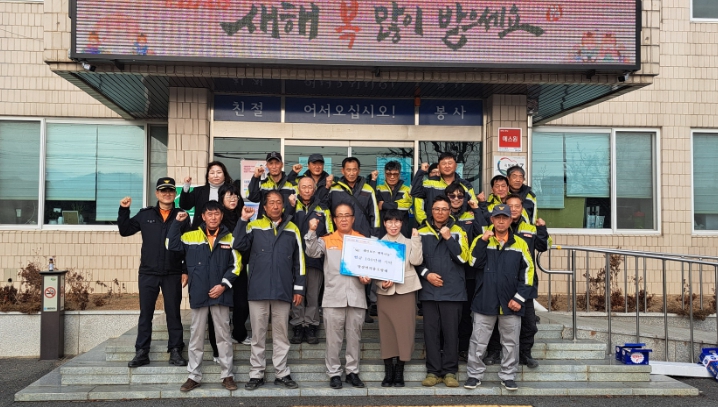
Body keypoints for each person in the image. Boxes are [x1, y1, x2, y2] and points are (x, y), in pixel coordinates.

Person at [232, 190, 306, 390]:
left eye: (278, 202)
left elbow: (299, 261)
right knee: (258, 335)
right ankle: (256, 374)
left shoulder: (292, 228)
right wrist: (243, 220)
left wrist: (299, 288)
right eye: (271, 202)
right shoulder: (254, 226)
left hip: (283, 290)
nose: (275, 206)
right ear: (264, 207)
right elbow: (237, 244)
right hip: (258, 289)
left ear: (283, 205)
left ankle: (282, 373)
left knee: (282, 335)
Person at [166, 201, 242, 392]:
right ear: (203, 217)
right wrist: (176, 223)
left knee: (223, 336)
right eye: (209, 214)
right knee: (196, 336)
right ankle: (194, 376)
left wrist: (223, 285)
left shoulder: (230, 238)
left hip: (221, 293)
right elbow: (170, 244)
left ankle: (227, 375)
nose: (213, 218)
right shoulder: (190, 236)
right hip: (199, 292)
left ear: (221, 216)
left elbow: (237, 266)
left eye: (216, 214)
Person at [117, 177, 187, 368]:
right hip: (148, 272)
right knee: (145, 313)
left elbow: (188, 245)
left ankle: (175, 350)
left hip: (172, 272)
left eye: (170, 190)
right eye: (163, 191)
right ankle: (142, 351)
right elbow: (125, 230)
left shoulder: (182, 215)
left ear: (175, 193)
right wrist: (124, 210)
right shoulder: (145, 214)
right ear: (157, 193)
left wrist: (185, 269)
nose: (167, 194)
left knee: (173, 313)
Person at [464, 204, 535, 392]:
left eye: (505, 217)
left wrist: (519, 298)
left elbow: (529, 272)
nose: (501, 221)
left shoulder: (520, 243)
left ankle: (508, 376)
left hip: (511, 302)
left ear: (510, 220)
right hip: (485, 300)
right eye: (498, 217)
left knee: (511, 343)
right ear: (492, 220)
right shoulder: (481, 239)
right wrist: (483, 242)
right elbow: (472, 262)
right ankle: (474, 375)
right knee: (478, 341)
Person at [304, 203, 371, 389]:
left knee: (354, 338)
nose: (343, 219)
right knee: (333, 339)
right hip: (333, 298)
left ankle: (352, 372)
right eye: (340, 216)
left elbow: (369, 267)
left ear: (353, 219)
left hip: (356, 297)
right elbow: (312, 252)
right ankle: (334, 373)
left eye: (347, 215)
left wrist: (367, 277)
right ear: (334, 220)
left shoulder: (362, 241)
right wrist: (311, 231)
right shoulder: (327, 240)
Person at [483, 194, 550, 368]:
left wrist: (542, 230)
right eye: (510, 206)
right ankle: (494, 352)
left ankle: (525, 354)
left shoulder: (530, 228)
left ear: (522, 208)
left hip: (524, 284)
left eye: (517, 206)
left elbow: (543, 246)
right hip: (499, 283)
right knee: (496, 321)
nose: (513, 209)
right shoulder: (493, 228)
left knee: (529, 324)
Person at [416, 196, 470, 388]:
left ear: (450, 211)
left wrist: (448, 239)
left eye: (444, 209)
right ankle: (432, 371)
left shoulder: (459, 230)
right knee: (430, 333)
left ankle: (449, 372)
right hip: (429, 290)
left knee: (451, 333)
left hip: (453, 291)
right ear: (431, 211)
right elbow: (415, 261)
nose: (440, 212)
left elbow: (464, 258)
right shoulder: (421, 231)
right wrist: (427, 274)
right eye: (436, 209)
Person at [375, 209, 423, 388]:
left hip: (406, 292)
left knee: (405, 332)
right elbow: (373, 271)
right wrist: (381, 283)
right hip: (385, 294)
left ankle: (399, 371)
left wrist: (416, 240)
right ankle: (388, 371)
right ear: (384, 223)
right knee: (386, 332)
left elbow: (417, 261)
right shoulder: (378, 245)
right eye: (389, 221)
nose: (393, 225)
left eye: (397, 221)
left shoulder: (409, 242)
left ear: (402, 223)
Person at [443, 183, 488, 362]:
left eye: (460, 196)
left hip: (468, 272)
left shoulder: (470, 215)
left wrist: (477, 209)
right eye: (452, 196)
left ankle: (463, 348)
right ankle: (444, 348)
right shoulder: (440, 215)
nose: (456, 199)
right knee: (446, 313)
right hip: (446, 271)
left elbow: (484, 232)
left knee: (465, 313)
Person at [290, 177, 333, 345]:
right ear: (298, 189)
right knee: (297, 293)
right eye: (303, 187)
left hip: (315, 258)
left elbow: (330, 233)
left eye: (310, 187)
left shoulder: (323, 208)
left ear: (314, 189)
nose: (307, 190)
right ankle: (297, 324)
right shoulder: (292, 206)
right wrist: (290, 207)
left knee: (313, 294)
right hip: (294, 258)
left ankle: (311, 325)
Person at [218, 183, 251, 346]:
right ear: (221, 199)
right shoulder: (217, 218)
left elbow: (247, 242)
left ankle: (239, 333)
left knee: (242, 303)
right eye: (229, 196)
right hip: (221, 266)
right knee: (221, 303)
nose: (233, 199)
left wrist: (244, 261)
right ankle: (223, 337)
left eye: (235, 196)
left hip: (239, 267)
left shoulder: (243, 217)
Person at [412, 152, 477, 225]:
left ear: (456, 166)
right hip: (433, 228)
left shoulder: (466, 185)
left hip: (460, 228)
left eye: (450, 163)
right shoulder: (428, 184)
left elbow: (474, 205)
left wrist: (469, 219)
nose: (447, 166)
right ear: (438, 167)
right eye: (443, 163)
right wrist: (427, 225)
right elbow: (415, 196)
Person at [326, 157, 379, 238]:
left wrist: (374, 236)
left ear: (359, 171)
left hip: (363, 236)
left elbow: (375, 215)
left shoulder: (368, 189)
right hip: (340, 237)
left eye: (354, 170)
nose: (351, 173)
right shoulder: (334, 189)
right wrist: (326, 188)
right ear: (342, 171)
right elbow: (325, 211)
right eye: (348, 170)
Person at [179, 161, 240, 230]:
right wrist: (186, 186)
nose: (215, 175)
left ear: (224, 175)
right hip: (201, 232)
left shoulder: (233, 191)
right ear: (207, 176)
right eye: (212, 173)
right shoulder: (198, 191)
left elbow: (239, 212)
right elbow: (185, 205)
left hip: (226, 231)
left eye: (219, 172)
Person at [248, 151, 298, 218]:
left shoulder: (292, 185)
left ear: (282, 165)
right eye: (271, 163)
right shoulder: (262, 184)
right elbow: (253, 198)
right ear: (267, 166)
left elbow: (299, 205)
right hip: (265, 223)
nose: (274, 167)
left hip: (286, 222)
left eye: (277, 163)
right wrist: (256, 177)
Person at [375, 160, 412, 238]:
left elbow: (406, 207)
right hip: (382, 231)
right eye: (389, 174)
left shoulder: (407, 190)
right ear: (385, 174)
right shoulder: (379, 189)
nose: (392, 177)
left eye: (395, 174)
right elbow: (376, 207)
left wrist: (384, 205)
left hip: (402, 231)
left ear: (399, 174)